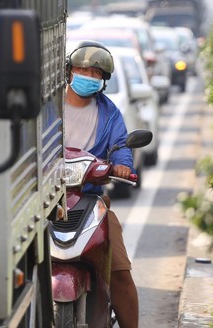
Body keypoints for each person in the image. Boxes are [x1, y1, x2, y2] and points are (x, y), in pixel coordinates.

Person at [64, 40, 139, 328]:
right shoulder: (48, 105)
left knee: (120, 271)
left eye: (97, 74)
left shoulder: (110, 113)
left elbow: (121, 145)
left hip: (90, 201)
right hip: (45, 201)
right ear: (70, 71)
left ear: (104, 81)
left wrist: (122, 165)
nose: (89, 76)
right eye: (83, 70)